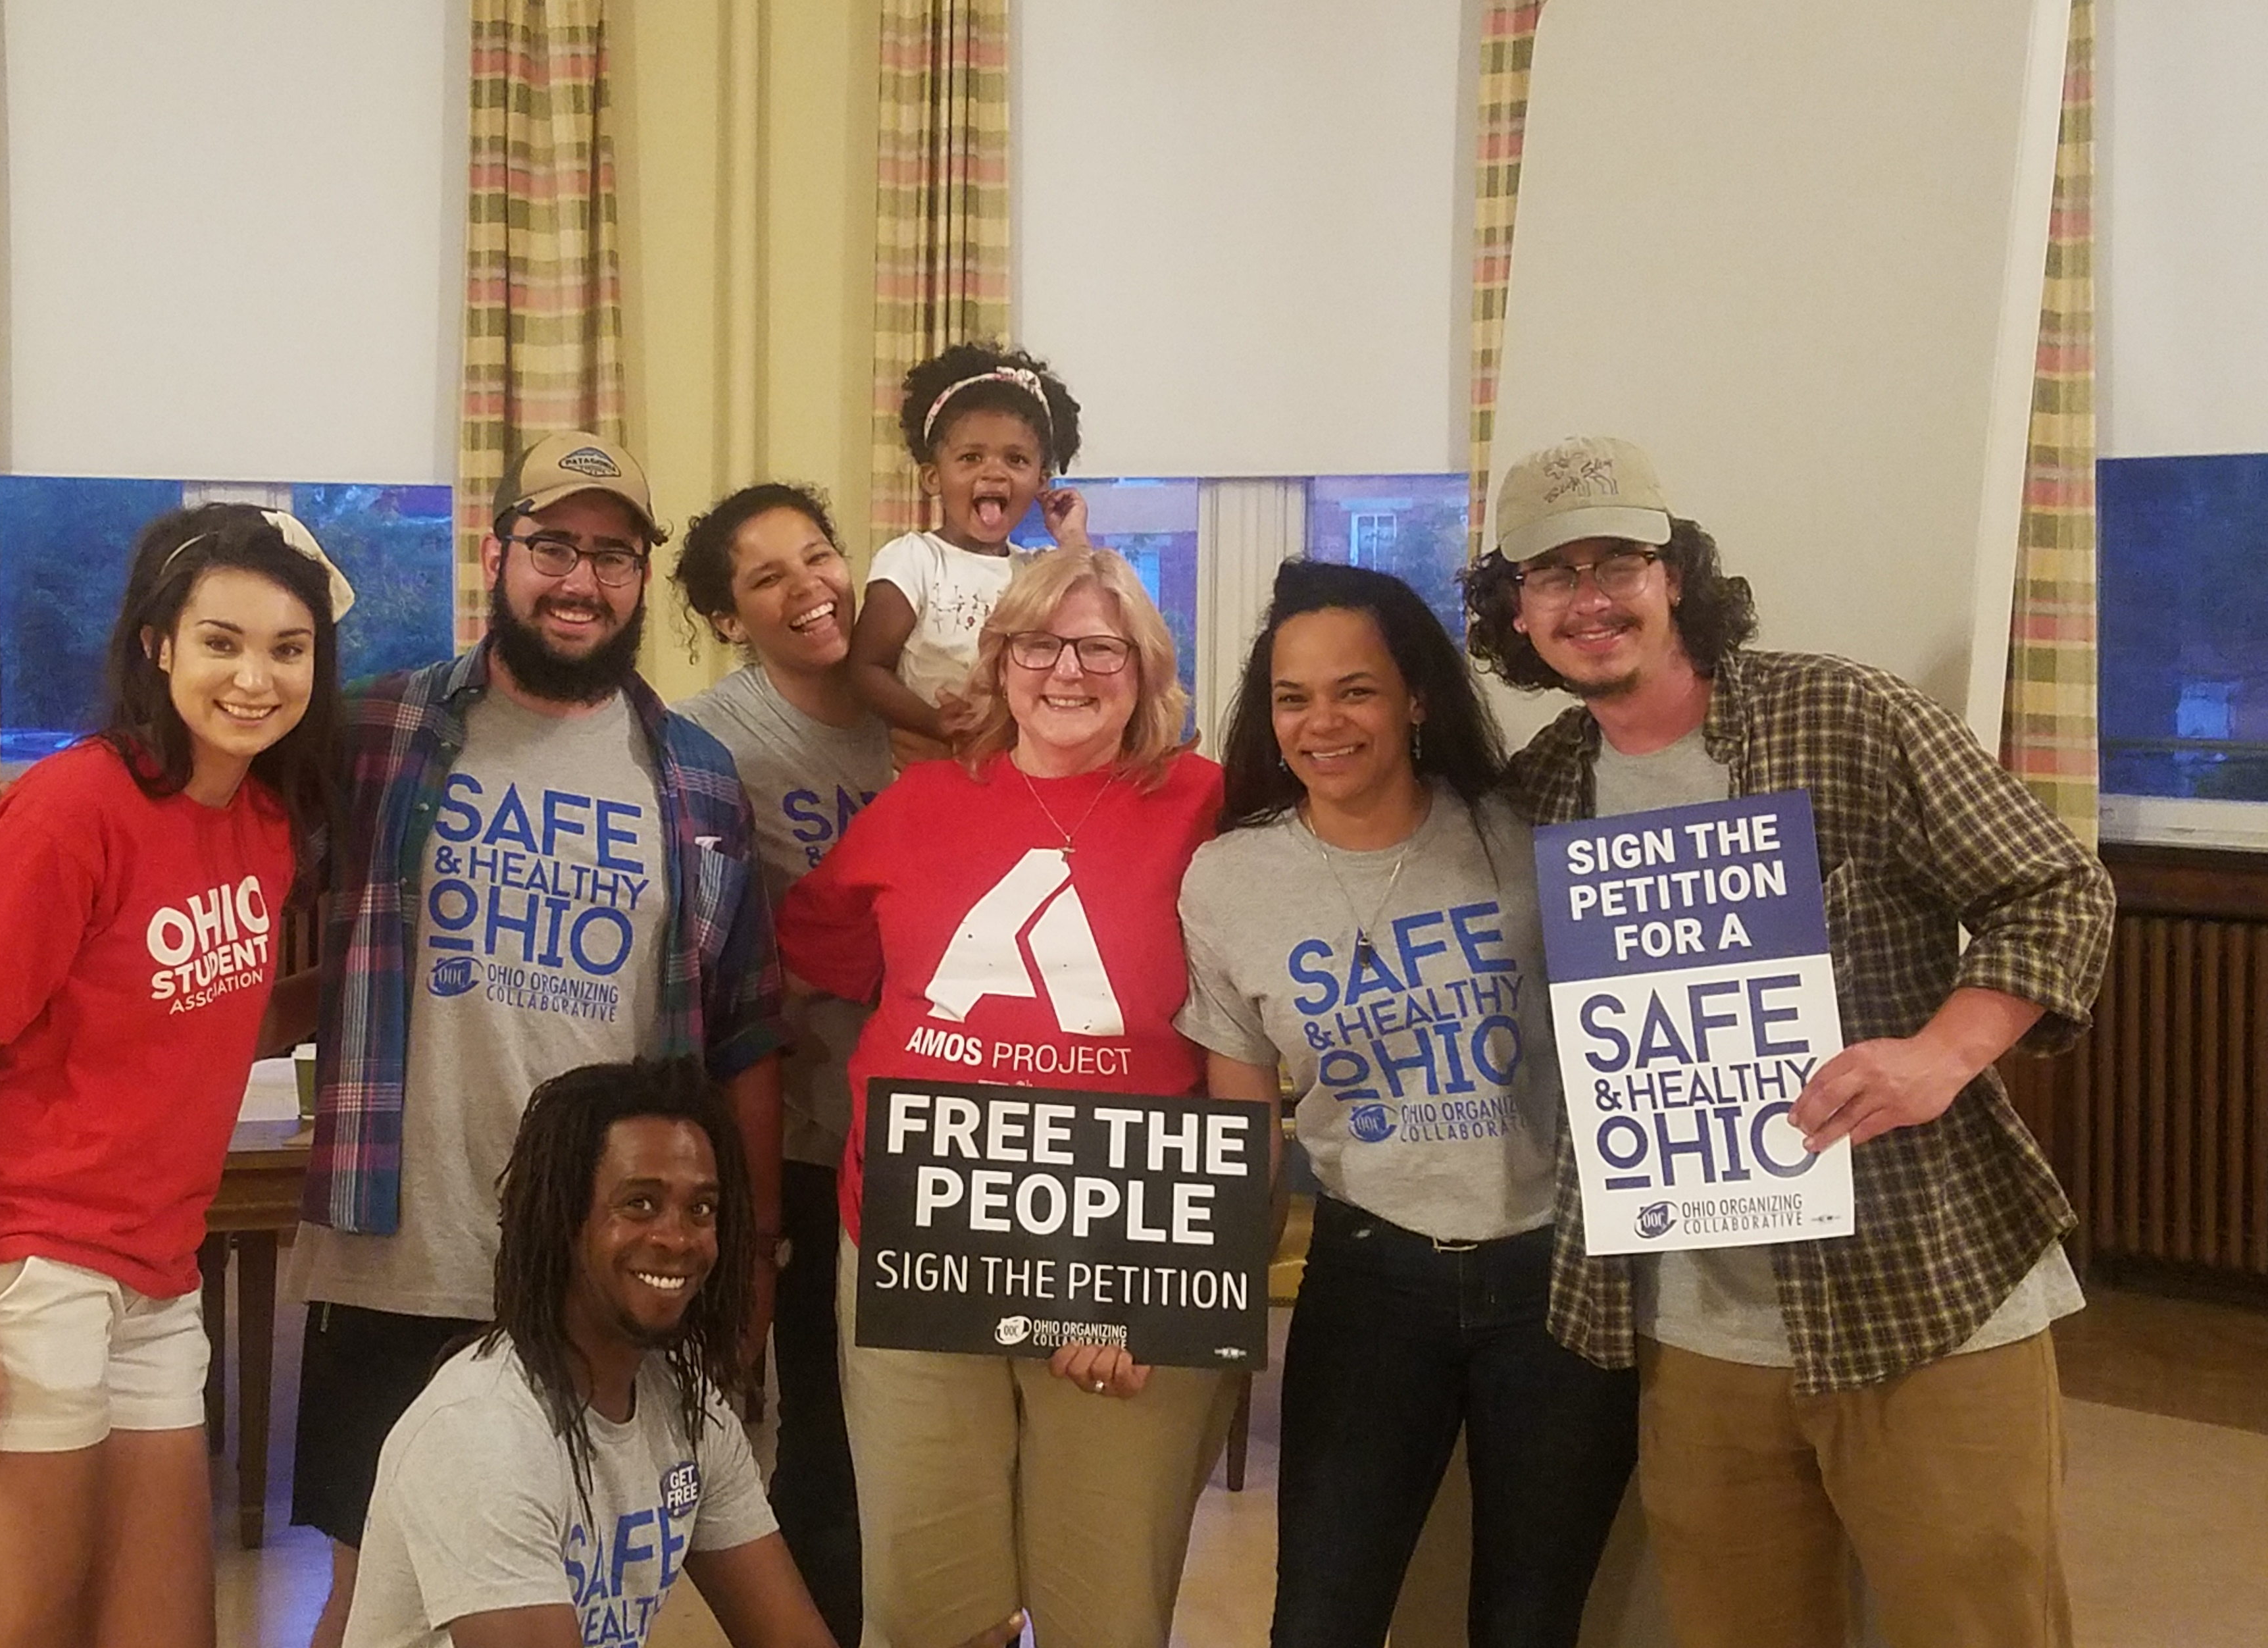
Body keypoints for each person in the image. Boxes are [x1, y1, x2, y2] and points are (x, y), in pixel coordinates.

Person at [1460, 433, 2113, 1648]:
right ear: (1514, 608)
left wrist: (1944, 1049)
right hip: (1697, 1322)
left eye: (1619, 560)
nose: (1588, 597)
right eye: (1550, 574)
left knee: (1978, 1624)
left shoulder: (1843, 713)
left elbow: (2056, 888)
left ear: (1677, 574)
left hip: (1923, 1287)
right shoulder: (1540, 792)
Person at [287, 432, 788, 1647]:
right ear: (500, 549)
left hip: (600, 1259)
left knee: (589, 1581)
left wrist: (750, 1265)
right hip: (402, 1248)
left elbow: (744, 1034)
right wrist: (23, 800)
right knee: (374, 1596)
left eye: (613, 553)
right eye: (553, 543)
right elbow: (190, 796)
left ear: (643, 575)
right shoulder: (374, 733)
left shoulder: (698, 779)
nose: (580, 577)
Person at [0, 503, 351, 1648]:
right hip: (20, 1267)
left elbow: (207, 1011)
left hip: (155, 1272)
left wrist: (392, 985)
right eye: (221, 640)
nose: (255, 676)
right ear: (159, 645)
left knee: (163, 1627)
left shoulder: (261, 818)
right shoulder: (70, 808)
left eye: (287, 648)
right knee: (20, 1627)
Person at [780, 546, 1238, 1648]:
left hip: (1123, 1252)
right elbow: (820, 962)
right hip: (913, 1237)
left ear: (1146, 666)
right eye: (1036, 641)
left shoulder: (1207, 802)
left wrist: (1164, 1282)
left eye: (1100, 644)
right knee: (926, 1601)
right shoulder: (918, 802)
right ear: (996, 661)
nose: (1065, 668)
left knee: (1105, 1606)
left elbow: (1253, 1032)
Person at [1174, 559, 1635, 1648]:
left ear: (1416, 695)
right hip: (1368, 1278)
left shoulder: (1521, 831)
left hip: (1556, 1280)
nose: (1322, 720)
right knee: (1321, 1616)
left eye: (1356, 688)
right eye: (1293, 696)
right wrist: (1187, 1307)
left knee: (1529, 1619)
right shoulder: (1227, 879)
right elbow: (1242, 1138)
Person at [343, 1058, 836, 1648]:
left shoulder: (686, 1408)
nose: (676, 1239)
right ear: (563, 1220)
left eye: (700, 1208)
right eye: (640, 1204)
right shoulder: (480, 1435)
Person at [670, 483, 897, 1647]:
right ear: (726, 614)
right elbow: (704, 966)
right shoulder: (709, 740)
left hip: (938, 1136)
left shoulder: (916, 717)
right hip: (809, 1139)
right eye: (766, 577)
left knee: (932, 1436)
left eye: (818, 555)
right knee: (824, 1438)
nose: (809, 586)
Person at [847, 344, 1088, 758]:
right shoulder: (914, 560)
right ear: (933, 477)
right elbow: (865, 669)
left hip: (1019, 769)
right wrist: (933, 722)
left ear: (1041, 481)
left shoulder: (1038, 571)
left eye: (1016, 459)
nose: (993, 471)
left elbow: (1096, 620)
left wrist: (1073, 540)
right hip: (931, 767)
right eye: (971, 457)